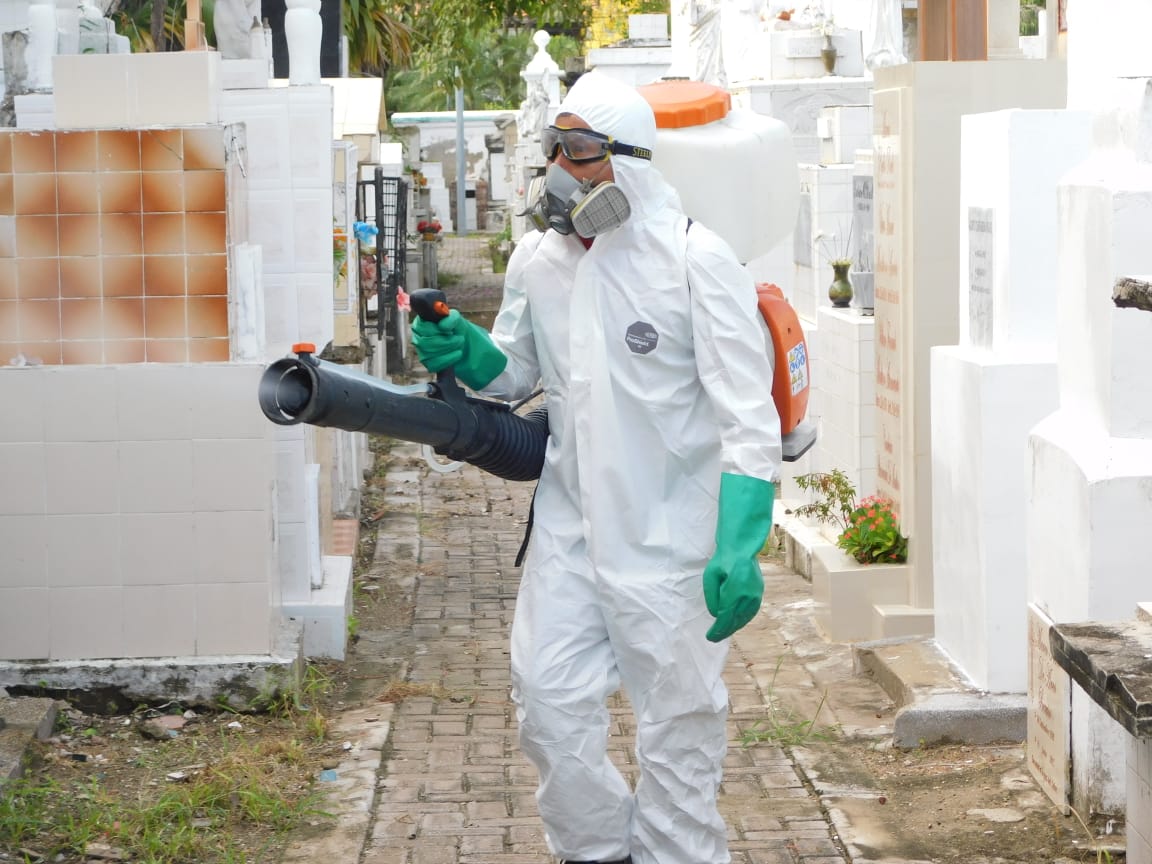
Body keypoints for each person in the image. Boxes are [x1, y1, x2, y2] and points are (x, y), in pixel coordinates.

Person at [411, 70, 782, 864]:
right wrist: (466, 350)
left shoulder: (695, 260)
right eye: (555, 147)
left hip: (671, 541)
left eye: (579, 150)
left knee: (678, 731)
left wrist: (739, 543)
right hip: (571, 530)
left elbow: (749, 418)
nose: (560, 169)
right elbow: (515, 373)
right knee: (547, 703)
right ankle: (599, 852)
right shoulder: (538, 260)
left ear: (631, 161)